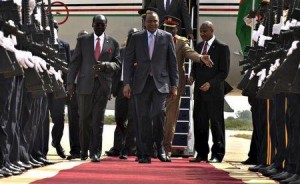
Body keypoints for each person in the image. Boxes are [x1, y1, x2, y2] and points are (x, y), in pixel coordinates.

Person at [123, 10, 178, 163]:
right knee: (143, 118)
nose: (152, 24)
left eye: (155, 21)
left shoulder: (166, 37)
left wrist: (174, 85)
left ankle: (159, 148)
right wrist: (127, 83)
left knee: (159, 113)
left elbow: (172, 63)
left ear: (158, 22)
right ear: (144, 23)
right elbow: (128, 62)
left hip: (160, 83)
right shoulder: (136, 38)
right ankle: (144, 152)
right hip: (141, 83)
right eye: (149, 21)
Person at [67, 14, 120, 162]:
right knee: (84, 119)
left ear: (106, 25)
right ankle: (84, 150)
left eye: (102, 24)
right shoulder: (83, 41)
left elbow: (117, 64)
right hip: (84, 86)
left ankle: (95, 151)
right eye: (97, 24)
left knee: (98, 120)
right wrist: (70, 84)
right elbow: (75, 64)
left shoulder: (113, 43)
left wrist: (106, 65)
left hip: (102, 86)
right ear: (92, 24)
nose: (100, 27)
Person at [162, 15, 213, 160]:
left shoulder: (181, 42)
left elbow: (190, 53)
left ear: (176, 29)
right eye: (166, 28)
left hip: (175, 85)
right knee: (156, 116)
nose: (169, 31)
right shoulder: (157, 39)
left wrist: (201, 57)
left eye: (172, 29)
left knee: (171, 118)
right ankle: (153, 146)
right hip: (157, 84)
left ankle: (166, 149)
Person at [189, 21, 230, 163]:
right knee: (199, 123)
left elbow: (223, 72)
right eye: (200, 31)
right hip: (200, 93)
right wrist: (192, 76)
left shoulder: (222, 48)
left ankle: (217, 154)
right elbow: (195, 65)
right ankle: (201, 153)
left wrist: (210, 84)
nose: (202, 34)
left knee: (216, 124)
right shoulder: (199, 47)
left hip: (214, 93)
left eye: (204, 31)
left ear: (212, 30)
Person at [66, 30, 88, 160]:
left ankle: (86, 148)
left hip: (86, 89)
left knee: (86, 120)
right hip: (73, 90)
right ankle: (75, 150)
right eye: (80, 38)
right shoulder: (71, 53)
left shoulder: (92, 55)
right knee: (73, 120)